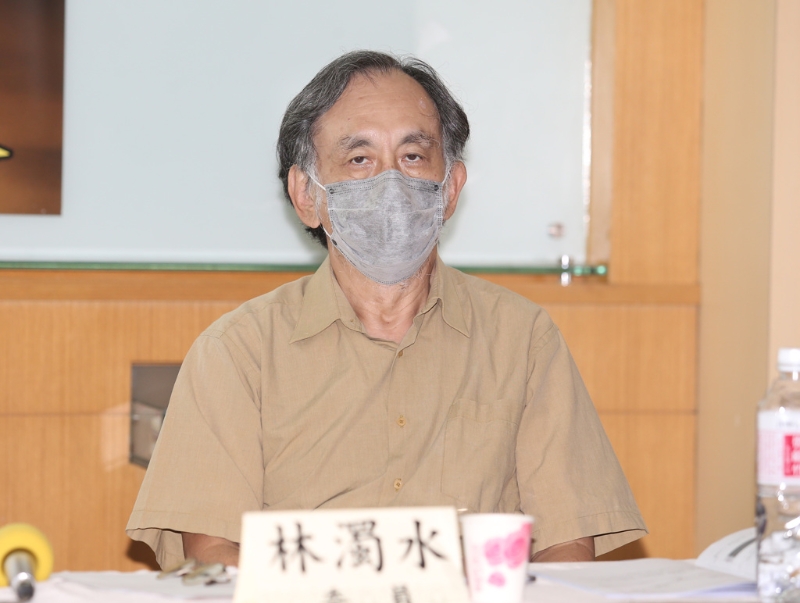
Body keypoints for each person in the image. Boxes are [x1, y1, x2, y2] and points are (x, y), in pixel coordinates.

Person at [126, 50, 646, 569]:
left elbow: (567, 547)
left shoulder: (523, 339)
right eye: (360, 159)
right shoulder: (237, 353)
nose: (391, 182)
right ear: (306, 194)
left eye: (413, 156)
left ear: (450, 189)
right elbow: (215, 556)